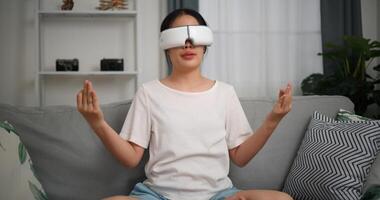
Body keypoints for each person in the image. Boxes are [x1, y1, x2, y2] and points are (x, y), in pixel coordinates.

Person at [77, 8, 293, 200]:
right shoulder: (148, 93)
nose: (188, 43)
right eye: (179, 36)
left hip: (218, 195)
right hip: (158, 195)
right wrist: (98, 123)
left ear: (205, 44)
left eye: (195, 35)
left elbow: (241, 156)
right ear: (166, 46)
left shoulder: (225, 93)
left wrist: (273, 119)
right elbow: (131, 158)